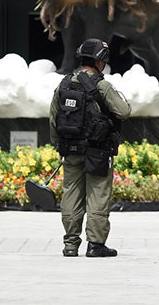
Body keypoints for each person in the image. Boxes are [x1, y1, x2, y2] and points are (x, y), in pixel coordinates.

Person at [49, 38, 131, 258]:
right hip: (97, 151)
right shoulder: (101, 85)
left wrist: (59, 144)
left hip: (70, 148)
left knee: (71, 194)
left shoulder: (64, 83)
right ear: (100, 61)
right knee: (97, 195)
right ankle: (95, 245)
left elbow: (53, 118)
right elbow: (124, 111)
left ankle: (70, 245)